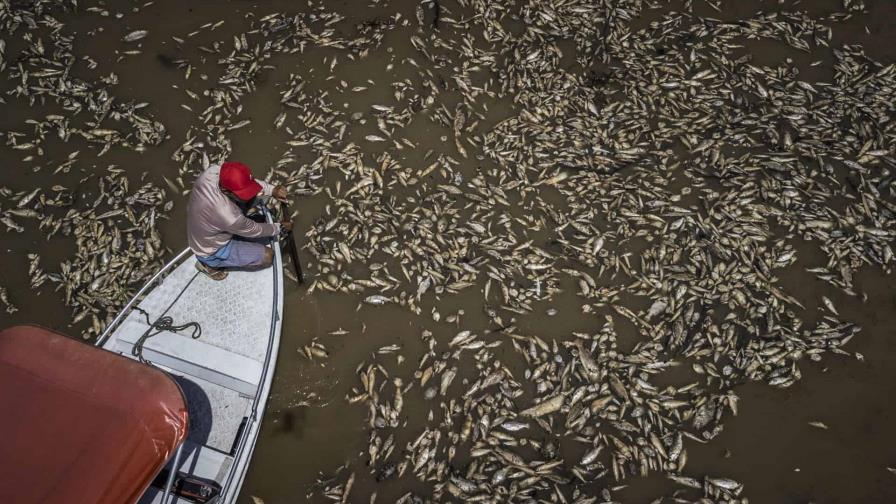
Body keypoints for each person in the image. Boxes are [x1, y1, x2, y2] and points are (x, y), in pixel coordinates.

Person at [186, 161, 291, 280]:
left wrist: (271, 190)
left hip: (206, 225)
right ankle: (208, 265)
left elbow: (247, 182)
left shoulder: (212, 172)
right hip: (211, 250)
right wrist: (279, 228)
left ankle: (234, 233)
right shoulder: (228, 215)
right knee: (268, 257)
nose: (249, 194)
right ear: (225, 191)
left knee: (254, 202)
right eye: (242, 193)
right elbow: (255, 230)